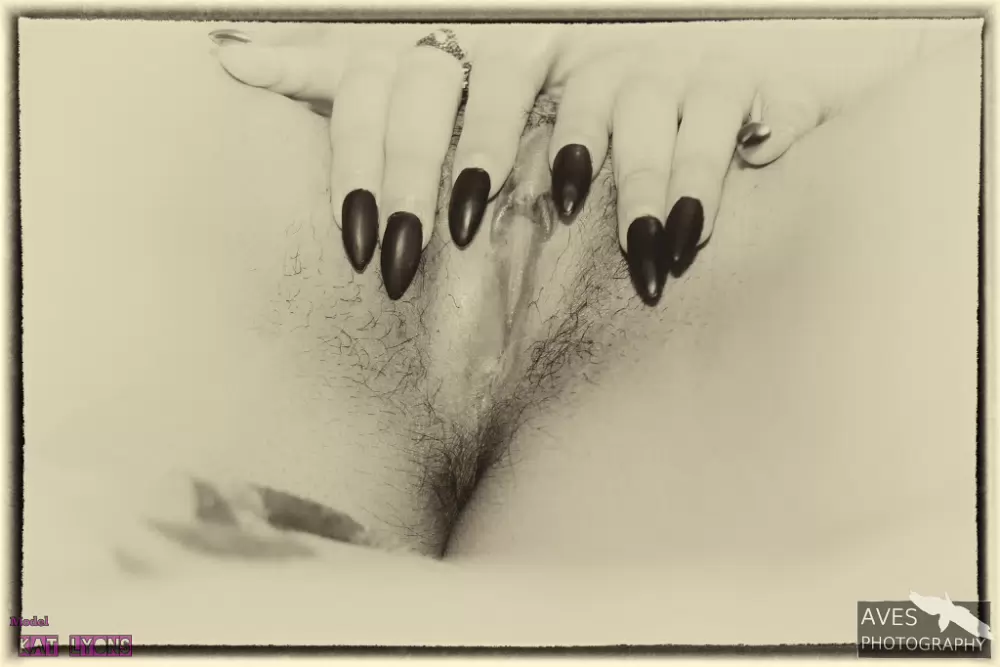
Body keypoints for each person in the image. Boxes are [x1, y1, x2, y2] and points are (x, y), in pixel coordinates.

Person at [22, 19, 980, 644]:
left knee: (936, 621)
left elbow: (949, 628)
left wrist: (873, 38)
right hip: (222, 124)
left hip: (813, 155)